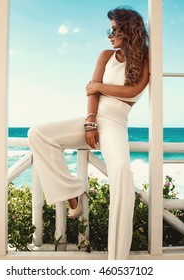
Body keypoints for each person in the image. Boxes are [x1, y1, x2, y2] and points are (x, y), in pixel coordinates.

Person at [28, 6, 149, 260]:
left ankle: (117, 260)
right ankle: (73, 192)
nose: (109, 35)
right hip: (94, 119)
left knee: (123, 175)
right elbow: (92, 93)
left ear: (128, 30)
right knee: (38, 133)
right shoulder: (105, 55)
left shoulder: (146, 58)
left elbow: (133, 91)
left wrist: (98, 86)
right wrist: (90, 122)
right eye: (110, 30)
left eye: (114, 29)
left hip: (116, 123)